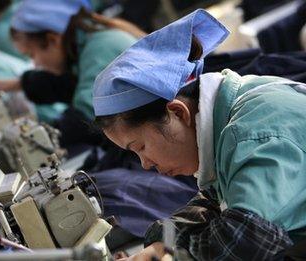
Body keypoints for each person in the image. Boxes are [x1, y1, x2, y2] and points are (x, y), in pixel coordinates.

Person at [93, 9, 306, 260]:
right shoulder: (227, 118)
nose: (145, 164)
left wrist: (170, 253)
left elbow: (247, 238)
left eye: (139, 147)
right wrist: (159, 245)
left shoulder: (251, 135)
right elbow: (212, 204)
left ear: (177, 113)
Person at [0, 0, 145, 146]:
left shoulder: (99, 49)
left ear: (53, 40)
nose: (35, 64)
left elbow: (86, 116)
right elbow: (65, 84)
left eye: (32, 55)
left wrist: (34, 142)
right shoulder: (87, 46)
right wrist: (19, 84)